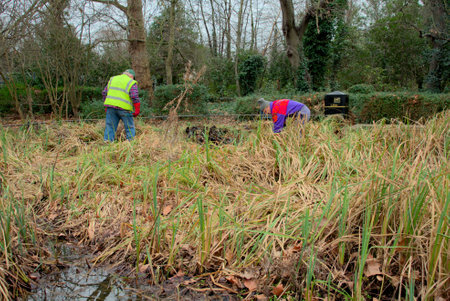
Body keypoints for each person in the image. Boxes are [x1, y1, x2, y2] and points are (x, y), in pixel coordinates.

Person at [103, 69, 141, 142]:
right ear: (132, 76)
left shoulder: (112, 79)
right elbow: (134, 96)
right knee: (129, 127)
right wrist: (137, 110)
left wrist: (106, 106)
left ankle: (107, 144)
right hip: (125, 109)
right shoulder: (131, 82)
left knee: (110, 126)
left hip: (110, 107)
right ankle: (130, 143)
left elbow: (104, 93)